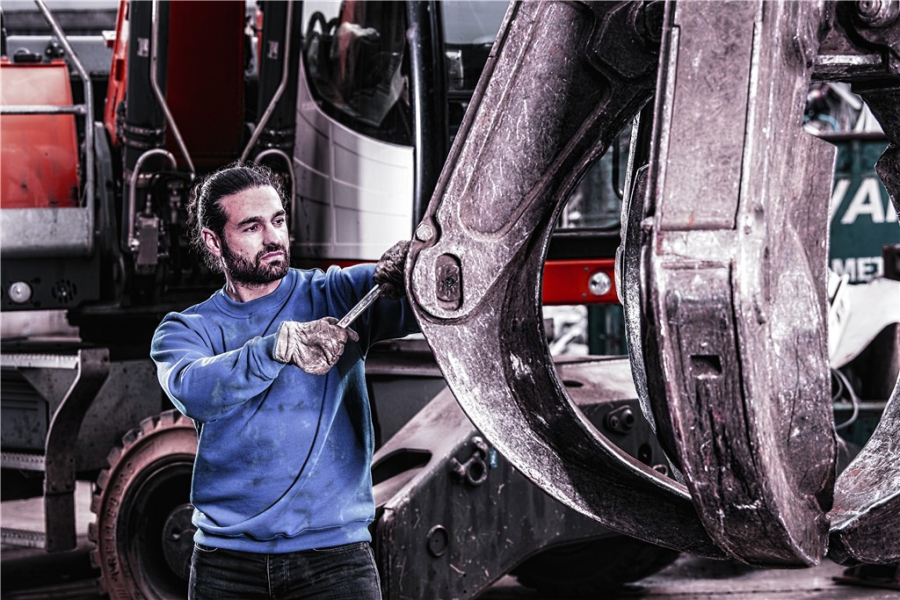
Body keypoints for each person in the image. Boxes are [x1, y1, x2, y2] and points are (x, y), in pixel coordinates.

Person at [150, 163, 418, 600]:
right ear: (214, 241)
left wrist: (421, 270)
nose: (273, 237)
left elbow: (437, 301)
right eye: (252, 227)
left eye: (278, 221)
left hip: (335, 560)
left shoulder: (334, 294)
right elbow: (193, 390)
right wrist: (274, 348)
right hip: (226, 565)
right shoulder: (187, 329)